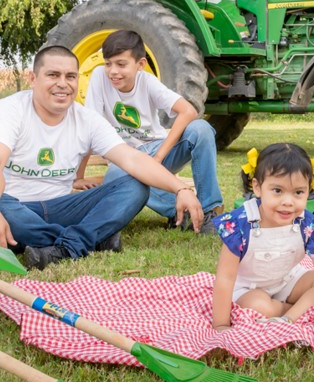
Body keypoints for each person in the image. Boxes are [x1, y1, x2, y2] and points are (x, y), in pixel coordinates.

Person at [0, 46, 204, 270]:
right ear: (32, 78)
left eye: (70, 76)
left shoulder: (87, 119)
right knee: (8, 210)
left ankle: (62, 244)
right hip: (13, 204)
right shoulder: (11, 111)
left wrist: (180, 189)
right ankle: (91, 241)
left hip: (65, 207)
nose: (62, 84)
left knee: (135, 186)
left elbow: (132, 159)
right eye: (52, 75)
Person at [78, 30, 222, 233]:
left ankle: (208, 211)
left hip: (158, 150)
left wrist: (159, 156)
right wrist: (79, 176)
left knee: (202, 129)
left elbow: (188, 111)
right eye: (108, 63)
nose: (113, 71)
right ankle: (181, 212)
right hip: (125, 158)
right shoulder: (99, 78)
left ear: (140, 64)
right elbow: (89, 128)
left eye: (121, 64)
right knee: (116, 176)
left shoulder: (147, 82)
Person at [211, 143, 314, 330]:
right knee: (259, 307)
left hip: (287, 280)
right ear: (257, 188)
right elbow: (225, 278)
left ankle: (289, 318)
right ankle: (289, 310)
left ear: (308, 190)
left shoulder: (307, 223)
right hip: (249, 289)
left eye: (298, 192)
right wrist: (221, 324)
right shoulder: (240, 225)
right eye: (277, 191)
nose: (288, 202)